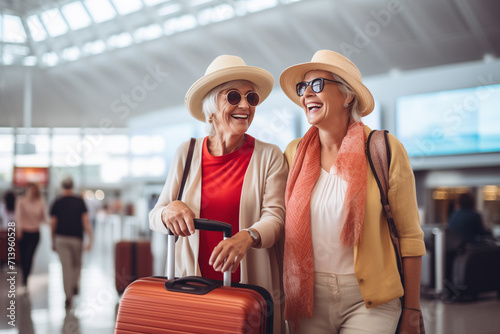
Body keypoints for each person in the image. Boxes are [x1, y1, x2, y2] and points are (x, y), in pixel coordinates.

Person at [280, 50, 426, 333]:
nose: (307, 93)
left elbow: (409, 236)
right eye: (303, 87)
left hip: (371, 300)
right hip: (308, 300)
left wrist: (412, 308)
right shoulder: (293, 153)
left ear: (347, 96)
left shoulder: (383, 148)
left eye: (318, 84)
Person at [149, 55, 287, 334]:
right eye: (234, 97)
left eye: (252, 98)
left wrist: (247, 236)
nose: (245, 105)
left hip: (247, 296)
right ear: (211, 107)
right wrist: (168, 211)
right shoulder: (186, 152)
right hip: (193, 290)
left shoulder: (269, 156)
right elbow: (155, 216)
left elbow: (276, 218)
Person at [50, 177, 93, 308]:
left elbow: (53, 223)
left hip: (61, 238)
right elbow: (85, 221)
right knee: (77, 264)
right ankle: (74, 285)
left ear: (62, 186)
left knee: (66, 267)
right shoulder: (79, 201)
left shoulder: (57, 201)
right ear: (72, 186)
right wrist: (91, 238)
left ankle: (68, 296)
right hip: (76, 238)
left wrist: (52, 240)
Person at [15, 183, 47, 291]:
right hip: (23, 233)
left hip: (35, 233)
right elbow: (18, 216)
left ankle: (26, 277)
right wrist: (19, 229)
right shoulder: (21, 201)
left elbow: (44, 218)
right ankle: (24, 277)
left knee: (29, 256)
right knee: (23, 257)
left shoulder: (40, 202)